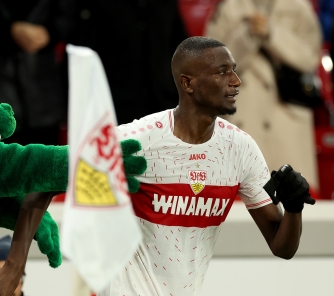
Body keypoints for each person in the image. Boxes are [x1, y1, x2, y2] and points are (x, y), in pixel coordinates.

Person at [99, 36, 313, 295]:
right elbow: (65, 166)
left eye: (234, 69)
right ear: (188, 83)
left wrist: (293, 208)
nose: (236, 81)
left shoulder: (240, 148)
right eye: (222, 72)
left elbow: (282, 247)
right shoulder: (138, 139)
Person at [204, 0, 321, 191]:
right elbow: (211, 64)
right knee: (240, 212)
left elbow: (311, 57)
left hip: (287, 120)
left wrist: (272, 33)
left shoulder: (299, 7)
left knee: (293, 208)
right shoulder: (229, 8)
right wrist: (247, 35)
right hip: (243, 114)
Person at [0, 0, 72, 145]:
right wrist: (9, 30)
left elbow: (69, 16)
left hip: (43, 86)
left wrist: (50, 34)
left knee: (44, 157)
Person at [68, 0, 188, 125]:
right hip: (114, 107)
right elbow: (83, 54)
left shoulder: (165, 2)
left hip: (163, 103)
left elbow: (179, 45)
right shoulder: (91, 4)